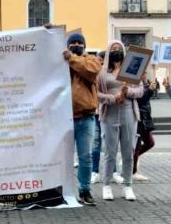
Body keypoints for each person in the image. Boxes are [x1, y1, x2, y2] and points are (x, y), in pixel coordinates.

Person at [97, 41, 143, 201]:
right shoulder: (101, 73)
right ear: (109, 52)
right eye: (113, 49)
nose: (116, 51)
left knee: (128, 151)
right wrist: (111, 98)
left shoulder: (132, 70)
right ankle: (107, 185)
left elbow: (140, 91)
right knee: (110, 151)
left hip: (128, 112)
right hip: (109, 113)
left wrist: (128, 91)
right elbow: (96, 94)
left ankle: (128, 185)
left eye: (119, 49)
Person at [60, 32, 100, 206]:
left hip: (86, 118)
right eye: (72, 42)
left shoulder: (92, 60)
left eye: (79, 42)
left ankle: (84, 190)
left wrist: (71, 59)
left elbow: (91, 71)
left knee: (85, 157)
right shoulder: (61, 60)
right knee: (62, 157)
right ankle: (62, 190)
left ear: (84, 45)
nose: (76, 45)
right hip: (63, 118)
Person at [132, 73, 157, 182]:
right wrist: (150, 90)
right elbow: (140, 100)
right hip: (138, 117)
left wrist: (152, 88)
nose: (145, 75)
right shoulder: (135, 84)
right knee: (136, 145)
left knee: (149, 143)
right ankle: (133, 171)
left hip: (146, 118)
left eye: (146, 73)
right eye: (142, 73)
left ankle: (129, 160)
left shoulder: (147, 83)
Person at [90, 51, 105, 184]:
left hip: (107, 113)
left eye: (101, 60)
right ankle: (95, 171)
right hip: (96, 113)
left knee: (109, 145)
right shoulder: (94, 73)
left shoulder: (109, 75)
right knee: (95, 144)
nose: (98, 62)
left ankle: (114, 172)